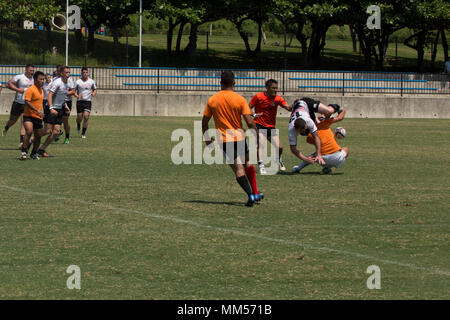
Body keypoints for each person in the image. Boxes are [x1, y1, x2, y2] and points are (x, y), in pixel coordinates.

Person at [202, 71, 263, 207]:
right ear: (234, 82)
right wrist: (257, 134)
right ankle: (255, 192)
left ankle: (251, 195)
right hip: (240, 137)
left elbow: (204, 122)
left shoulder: (212, 100)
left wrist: (207, 139)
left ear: (220, 83)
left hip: (225, 140)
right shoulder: (240, 99)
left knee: (238, 170)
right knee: (247, 164)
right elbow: (249, 122)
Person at [249, 79, 291, 174]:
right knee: (261, 145)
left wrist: (293, 106)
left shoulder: (277, 99)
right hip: (259, 124)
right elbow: (248, 107)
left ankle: (278, 160)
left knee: (279, 147)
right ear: (267, 88)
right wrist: (254, 114)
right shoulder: (258, 97)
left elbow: (287, 108)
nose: (275, 90)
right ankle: (261, 166)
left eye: (276, 88)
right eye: (273, 88)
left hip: (271, 126)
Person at [293, 108, 349, 174]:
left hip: (323, 160)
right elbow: (340, 117)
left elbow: (319, 142)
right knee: (346, 149)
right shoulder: (324, 123)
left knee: (313, 155)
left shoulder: (309, 137)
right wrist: (340, 109)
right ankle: (328, 168)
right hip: (337, 158)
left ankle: (298, 168)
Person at [37, 66, 73, 157]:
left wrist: (65, 105)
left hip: (60, 109)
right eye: (66, 72)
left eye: (69, 72)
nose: (68, 74)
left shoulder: (68, 83)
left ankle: (42, 149)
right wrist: (51, 108)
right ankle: (30, 141)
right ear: (61, 73)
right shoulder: (57, 82)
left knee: (56, 132)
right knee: (46, 131)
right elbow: (49, 95)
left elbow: (62, 95)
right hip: (51, 109)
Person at [1, 64, 35, 147]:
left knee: (24, 122)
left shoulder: (34, 79)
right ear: (26, 70)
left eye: (33, 71)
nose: (32, 72)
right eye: (30, 71)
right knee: (13, 120)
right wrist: (18, 90)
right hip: (18, 102)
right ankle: (6, 127)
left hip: (27, 103)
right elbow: (8, 84)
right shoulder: (20, 77)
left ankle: (22, 141)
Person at [20, 71, 45, 160]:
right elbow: (27, 101)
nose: (42, 81)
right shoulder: (31, 89)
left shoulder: (41, 90)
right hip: (28, 115)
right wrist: (37, 110)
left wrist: (41, 112)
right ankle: (23, 151)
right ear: (35, 80)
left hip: (37, 117)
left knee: (38, 136)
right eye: (40, 79)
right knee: (29, 131)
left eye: (43, 79)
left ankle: (33, 153)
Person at [75, 67, 97, 138]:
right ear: (81, 73)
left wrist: (94, 93)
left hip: (87, 101)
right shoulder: (78, 82)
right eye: (83, 72)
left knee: (86, 116)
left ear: (88, 73)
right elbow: (73, 91)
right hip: (80, 102)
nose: (85, 74)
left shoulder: (91, 81)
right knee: (79, 118)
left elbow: (95, 89)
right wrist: (77, 96)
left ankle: (83, 134)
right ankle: (78, 124)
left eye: (86, 72)